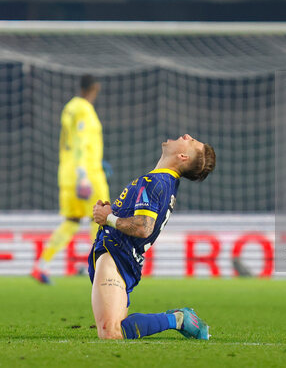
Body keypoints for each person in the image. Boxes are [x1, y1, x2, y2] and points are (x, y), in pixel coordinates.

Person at [89, 134, 216, 339]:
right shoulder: (163, 182)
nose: (187, 136)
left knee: (110, 332)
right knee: (116, 329)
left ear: (183, 156)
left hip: (116, 256)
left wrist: (109, 218)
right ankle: (175, 319)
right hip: (125, 258)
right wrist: (113, 212)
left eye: (191, 141)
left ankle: (177, 319)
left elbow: (143, 228)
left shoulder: (155, 182)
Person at [32, 75, 110, 284]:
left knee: (72, 221)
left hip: (67, 172)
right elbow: (80, 141)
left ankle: (42, 265)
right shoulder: (84, 109)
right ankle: (97, 266)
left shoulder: (69, 107)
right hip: (86, 173)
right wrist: (83, 174)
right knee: (102, 217)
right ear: (94, 88)